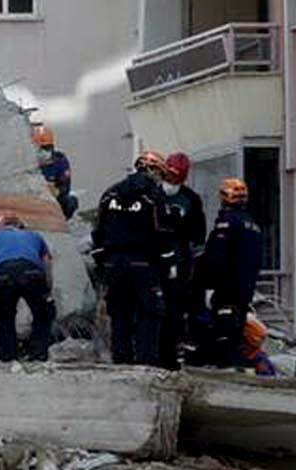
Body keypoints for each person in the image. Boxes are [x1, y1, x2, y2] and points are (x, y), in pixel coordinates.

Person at [91, 151, 171, 366]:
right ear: (153, 171)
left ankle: (122, 360)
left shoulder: (110, 194)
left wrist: (102, 262)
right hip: (144, 263)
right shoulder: (153, 197)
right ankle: (146, 361)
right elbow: (162, 232)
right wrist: (167, 264)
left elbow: (98, 231)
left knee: (119, 314)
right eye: (160, 174)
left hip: (113, 263)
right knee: (147, 313)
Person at [196, 175, 267, 369]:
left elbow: (218, 258)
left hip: (226, 290)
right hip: (244, 293)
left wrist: (208, 284)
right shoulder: (253, 226)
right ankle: (236, 368)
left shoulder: (227, 223)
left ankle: (225, 371)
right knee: (235, 336)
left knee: (223, 337)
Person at [155, 151, 208, 366]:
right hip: (152, 259)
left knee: (174, 311)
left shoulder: (191, 200)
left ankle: (170, 356)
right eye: (168, 176)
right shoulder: (151, 194)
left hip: (179, 263)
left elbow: (198, 235)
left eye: (175, 178)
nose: (170, 182)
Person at [0, 210, 55, 362]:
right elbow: (47, 262)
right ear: (21, 225)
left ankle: (8, 357)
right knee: (42, 315)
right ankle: (38, 355)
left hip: (3, 273)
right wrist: (48, 290)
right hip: (32, 271)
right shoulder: (35, 236)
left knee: (6, 317)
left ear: (0, 226)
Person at [35, 125, 77, 218]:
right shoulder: (27, 163)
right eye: (41, 148)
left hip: (53, 199)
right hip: (33, 199)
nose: (44, 151)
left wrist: (56, 191)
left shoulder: (60, 160)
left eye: (47, 147)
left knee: (70, 202)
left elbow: (66, 186)